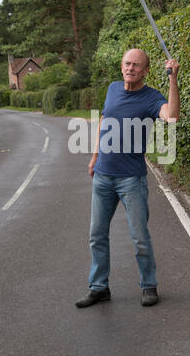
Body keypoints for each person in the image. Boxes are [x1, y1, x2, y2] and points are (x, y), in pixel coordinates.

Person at [76, 49, 180, 308]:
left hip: (131, 180)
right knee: (97, 235)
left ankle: (149, 286)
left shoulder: (151, 98)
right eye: (126, 63)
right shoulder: (112, 89)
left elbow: (172, 117)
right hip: (103, 177)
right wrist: (94, 157)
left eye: (136, 65)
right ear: (121, 66)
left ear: (145, 70)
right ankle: (99, 287)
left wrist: (173, 79)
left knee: (139, 237)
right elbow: (104, 121)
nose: (130, 68)